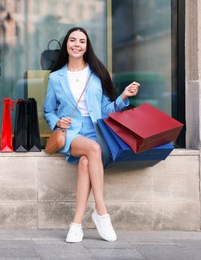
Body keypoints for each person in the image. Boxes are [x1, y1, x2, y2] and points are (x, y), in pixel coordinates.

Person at [43, 27, 140, 243]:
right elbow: (48, 110)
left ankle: (76, 224)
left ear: (87, 47)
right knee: (93, 149)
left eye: (82, 41)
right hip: (71, 132)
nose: (77, 44)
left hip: (96, 130)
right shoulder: (56, 77)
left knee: (86, 163)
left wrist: (123, 96)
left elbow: (106, 110)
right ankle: (102, 212)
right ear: (66, 44)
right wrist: (57, 121)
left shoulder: (96, 75)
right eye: (72, 40)